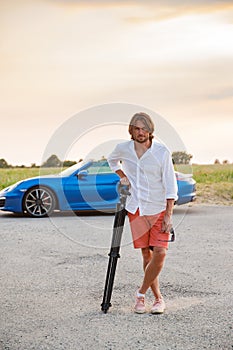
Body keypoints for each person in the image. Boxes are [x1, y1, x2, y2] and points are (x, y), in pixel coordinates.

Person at [107, 112, 178, 314]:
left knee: (160, 252)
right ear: (132, 130)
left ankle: (140, 293)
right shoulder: (123, 148)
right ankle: (156, 299)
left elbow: (170, 185)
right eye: (137, 128)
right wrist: (122, 175)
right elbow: (112, 160)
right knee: (146, 254)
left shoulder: (162, 152)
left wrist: (168, 215)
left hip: (158, 208)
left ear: (150, 129)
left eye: (144, 128)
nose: (141, 132)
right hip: (136, 208)